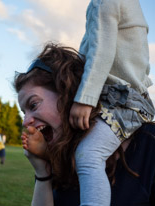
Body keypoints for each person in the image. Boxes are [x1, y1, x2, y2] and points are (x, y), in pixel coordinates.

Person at [15, 43, 155, 206]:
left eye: (33, 105)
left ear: (68, 94)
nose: (26, 122)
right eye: (24, 113)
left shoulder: (149, 144)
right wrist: (42, 172)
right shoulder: (57, 159)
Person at [66, 0, 155, 205]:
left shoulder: (105, 2)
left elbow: (101, 51)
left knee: (89, 155)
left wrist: (84, 98)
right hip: (131, 98)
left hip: (121, 101)